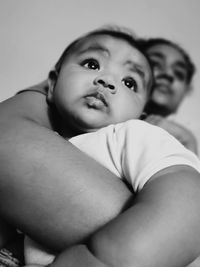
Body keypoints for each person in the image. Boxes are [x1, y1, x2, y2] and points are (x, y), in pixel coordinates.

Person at [0, 26, 200, 267]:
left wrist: (102, 259)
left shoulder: (132, 135)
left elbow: (188, 199)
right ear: (51, 84)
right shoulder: (41, 134)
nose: (107, 80)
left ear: (140, 114)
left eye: (129, 82)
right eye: (92, 64)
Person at [139, 37, 198, 154]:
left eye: (179, 73)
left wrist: (189, 147)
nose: (168, 74)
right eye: (155, 64)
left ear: (185, 92)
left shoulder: (182, 141)